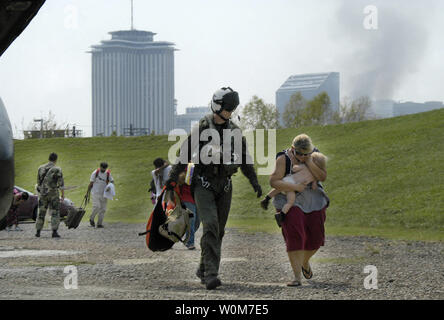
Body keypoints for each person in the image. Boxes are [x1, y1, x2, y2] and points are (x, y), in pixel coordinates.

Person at [166, 87, 262, 290]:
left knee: (219, 231)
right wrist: (172, 180)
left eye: (233, 108)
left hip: (225, 185)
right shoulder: (201, 128)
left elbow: (244, 158)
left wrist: (254, 182)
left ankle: (202, 268)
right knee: (210, 225)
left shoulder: (235, 131)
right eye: (228, 108)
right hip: (203, 184)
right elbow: (183, 154)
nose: (231, 111)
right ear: (218, 105)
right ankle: (211, 274)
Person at [269, 134, 329, 287]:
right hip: (289, 197)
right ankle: (297, 277)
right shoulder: (284, 159)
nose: (302, 157)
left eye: (306, 154)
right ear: (292, 149)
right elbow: (274, 181)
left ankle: (304, 262)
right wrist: (295, 187)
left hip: (312, 198)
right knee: (295, 236)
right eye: (299, 154)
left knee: (316, 238)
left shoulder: (314, 156)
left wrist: (310, 162)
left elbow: (322, 176)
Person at [261, 152, 327, 217]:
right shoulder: (314, 177)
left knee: (279, 188)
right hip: (294, 186)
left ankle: (267, 198)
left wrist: (297, 167)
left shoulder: (304, 166)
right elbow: (314, 187)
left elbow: (294, 168)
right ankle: (282, 215)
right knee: (290, 202)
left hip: (289, 179)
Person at [35, 152, 65, 238]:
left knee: (41, 212)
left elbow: (38, 182)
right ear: (56, 159)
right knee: (55, 212)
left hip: (43, 194)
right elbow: (61, 184)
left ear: (49, 158)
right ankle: (54, 231)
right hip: (53, 194)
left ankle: (38, 231)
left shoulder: (40, 168)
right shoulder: (57, 169)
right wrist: (63, 195)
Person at [177, 167, 199, 250]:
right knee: (191, 221)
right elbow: (179, 180)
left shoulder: (201, 167)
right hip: (187, 198)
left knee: (197, 222)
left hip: (198, 199)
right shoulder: (186, 167)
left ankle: (183, 236)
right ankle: (190, 242)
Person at [88, 162, 114, 228]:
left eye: (105, 169)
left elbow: (112, 181)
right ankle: (91, 218)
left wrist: (109, 187)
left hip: (104, 194)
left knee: (103, 209)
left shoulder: (108, 173)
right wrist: (87, 193)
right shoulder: (95, 173)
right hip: (95, 193)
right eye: (102, 169)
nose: (103, 170)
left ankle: (99, 223)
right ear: (100, 167)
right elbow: (91, 183)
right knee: (97, 207)